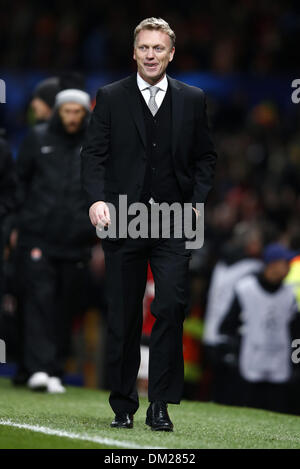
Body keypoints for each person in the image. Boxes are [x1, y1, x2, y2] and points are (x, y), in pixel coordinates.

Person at [81, 17, 217, 430]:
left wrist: (196, 204)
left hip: (174, 221)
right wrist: (96, 201)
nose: (151, 55)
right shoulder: (110, 97)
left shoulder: (193, 98)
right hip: (123, 218)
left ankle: (160, 403)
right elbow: (93, 156)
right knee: (123, 317)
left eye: (159, 48)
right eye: (144, 48)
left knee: (171, 306)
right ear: (134, 51)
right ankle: (123, 405)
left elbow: (206, 159)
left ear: (171, 53)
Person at [15, 87, 94, 393]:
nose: (72, 118)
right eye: (67, 111)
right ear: (58, 111)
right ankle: (38, 368)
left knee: (66, 306)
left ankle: (56, 367)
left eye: (77, 112)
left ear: (85, 113)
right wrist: (24, 220)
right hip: (39, 236)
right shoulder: (38, 138)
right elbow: (20, 180)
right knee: (39, 301)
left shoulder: (94, 142)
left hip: (76, 241)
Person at [219, 243, 300, 414]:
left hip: (278, 365)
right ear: (273, 265)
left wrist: (295, 361)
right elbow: (228, 326)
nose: (288, 268)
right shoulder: (246, 289)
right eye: (285, 263)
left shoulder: (289, 295)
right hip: (249, 363)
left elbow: (295, 332)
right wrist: (232, 352)